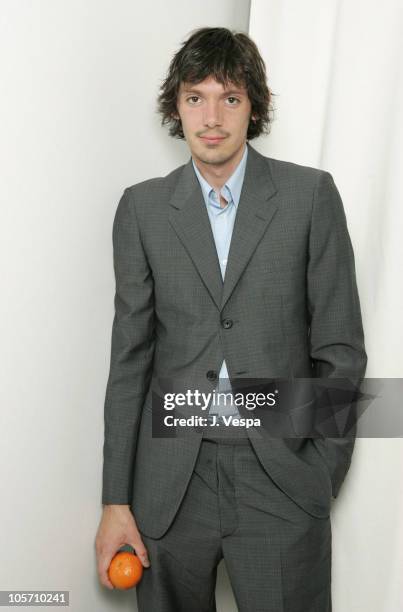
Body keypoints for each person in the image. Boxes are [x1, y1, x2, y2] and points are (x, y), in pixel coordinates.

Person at [95, 27, 367, 611]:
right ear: (177, 106)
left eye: (231, 98)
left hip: (280, 480)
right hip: (170, 487)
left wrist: (318, 470)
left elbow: (340, 350)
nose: (212, 116)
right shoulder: (141, 209)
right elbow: (130, 360)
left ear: (253, 107)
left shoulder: (311, 197)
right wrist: (116, 500)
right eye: (196, 97)